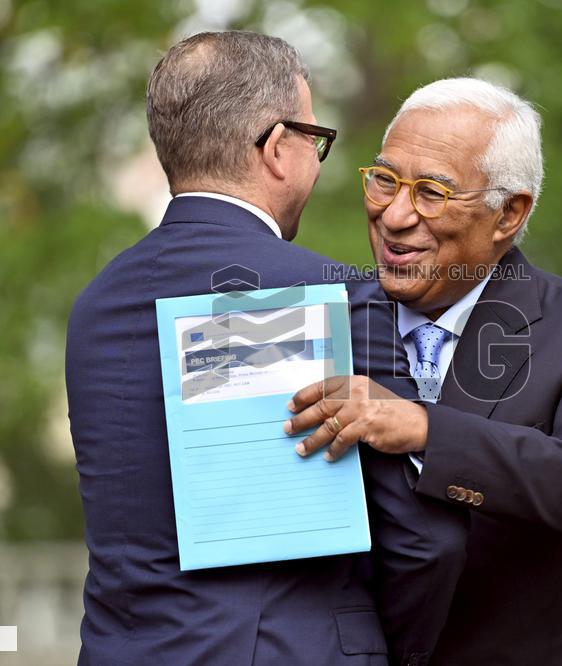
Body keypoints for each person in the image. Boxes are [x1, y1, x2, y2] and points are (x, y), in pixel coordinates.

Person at [65, 33, 463, 666]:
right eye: (315, 140)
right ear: (278, 148)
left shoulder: (96, 306)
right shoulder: (336, 296)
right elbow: (424, 542)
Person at [286, 78, 562, 665]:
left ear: (509, 213)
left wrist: (425, 428)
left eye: (431, 192)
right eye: (384, 180)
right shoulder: (318, 322)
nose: (395, 215)